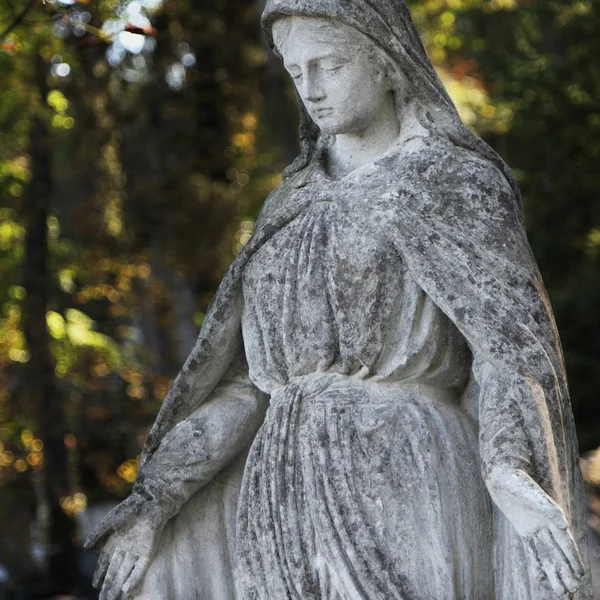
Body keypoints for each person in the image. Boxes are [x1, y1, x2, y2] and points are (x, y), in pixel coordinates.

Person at [86, 0, 592, 598]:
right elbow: (248, 386)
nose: (312, 90)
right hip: (279, 493)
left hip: (403, 469)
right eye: (296, 72)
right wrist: (156, 497)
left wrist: (511, 468)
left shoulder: (449, 181)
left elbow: (509, 349)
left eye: (329, 64)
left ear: (386, 62)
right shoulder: (288, 206)